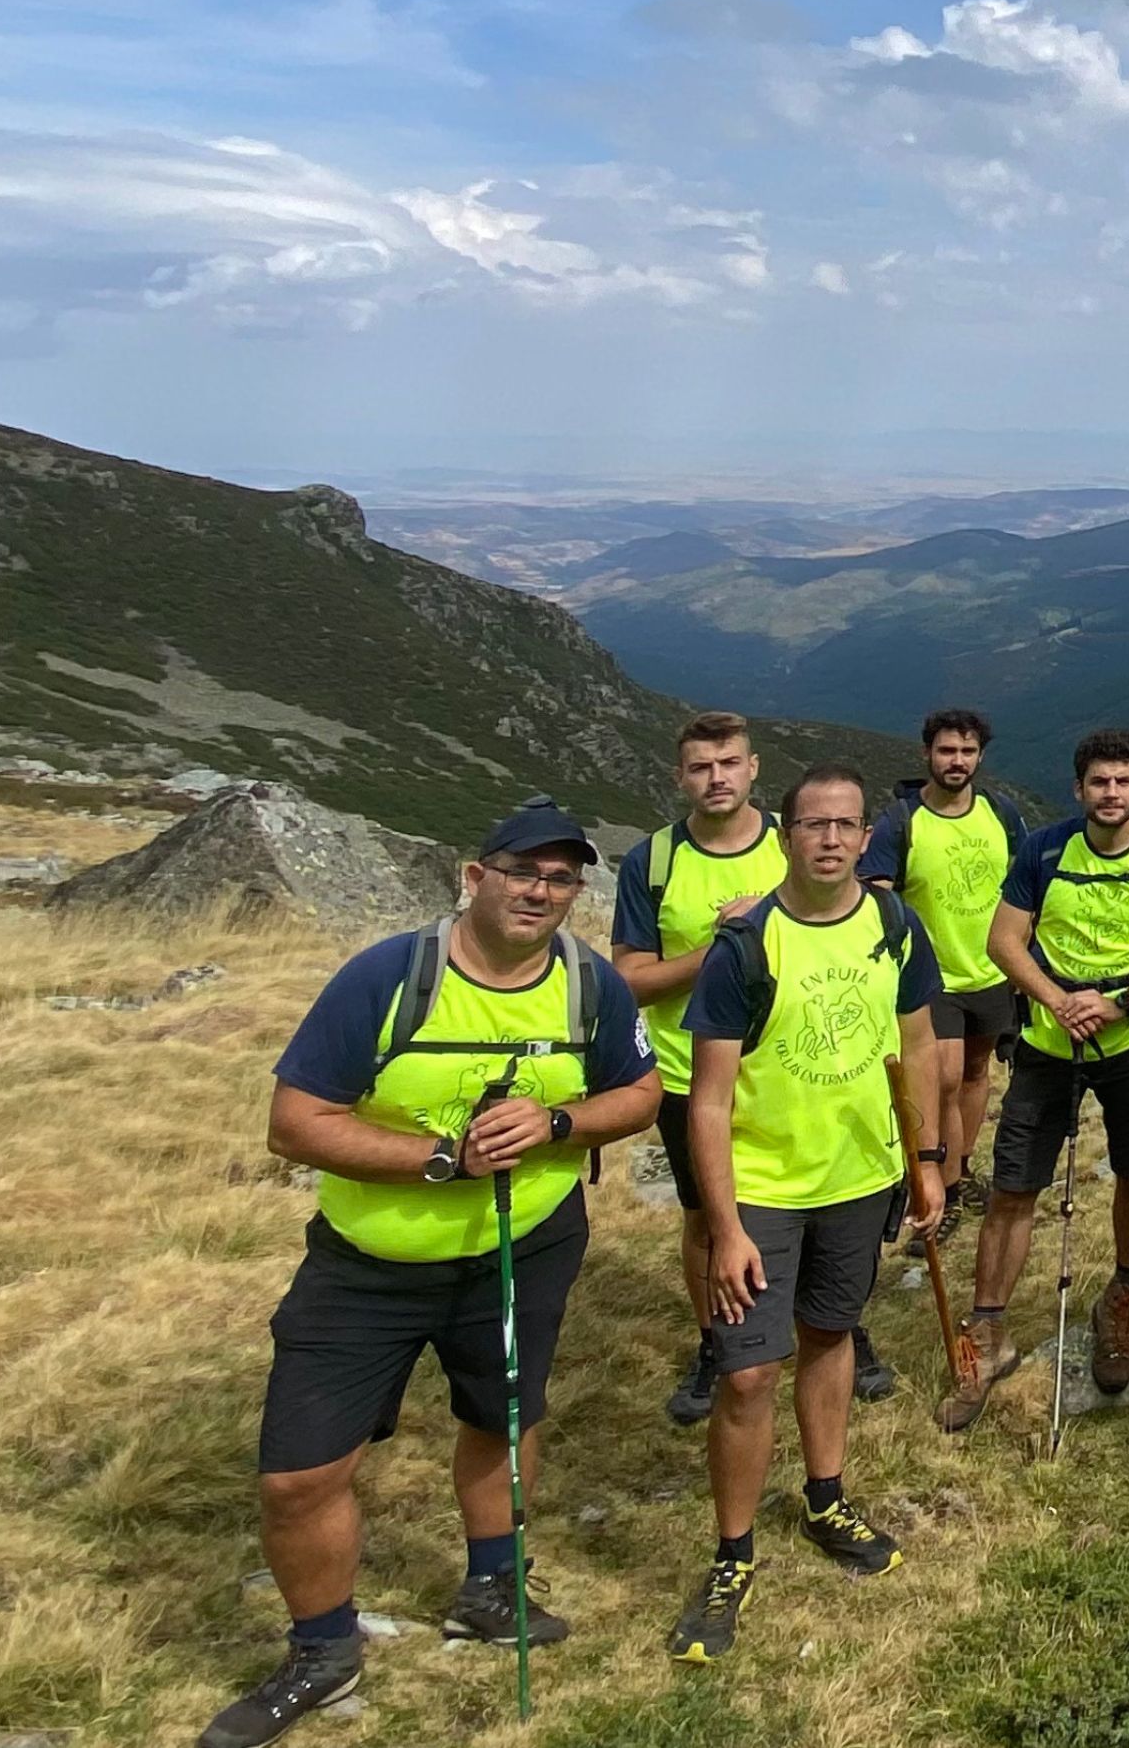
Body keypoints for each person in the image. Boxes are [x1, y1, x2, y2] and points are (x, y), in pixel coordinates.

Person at [199, 799, 660, 1748]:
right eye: (523, 870)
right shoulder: (388, 979)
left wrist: (557, 1125)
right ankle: (323, 1652)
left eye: (562, 877)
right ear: (473, 876)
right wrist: (443, 1160)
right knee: (300, 1475)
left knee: (505, 1416)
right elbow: (294, 1124)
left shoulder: (589, 986)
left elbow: (641, 1091)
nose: (541, 890)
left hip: (524, 1247)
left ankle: (494, 1586)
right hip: (369, 1264)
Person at [666, 763, 954, 1664]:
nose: (830, 838)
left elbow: (917, 1042)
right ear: (785, 835)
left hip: (860, 1180)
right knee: (748, 1375)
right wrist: (724, 1226)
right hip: (762, 1189)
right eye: (812, 824)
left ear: (868, 837)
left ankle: (826, 1498)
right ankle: (732, 1553)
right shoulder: (746, 944)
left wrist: (931, 1162)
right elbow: (706, 1101)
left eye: (846, 825)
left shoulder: (892, 924)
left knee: (831, 1335)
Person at [939, 726, 1129, 1430]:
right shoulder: (1045, 850)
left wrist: (1121, 1002)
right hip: (1045, 1043)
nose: (1111, 794)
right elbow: (1004, 940)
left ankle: (1122, 1296)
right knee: (1013, 1186)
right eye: (1099, 782)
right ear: (1079, 788)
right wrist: (1058, 999)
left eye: (1124, 782)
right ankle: (990, 1330)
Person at [609, 712, 791, 1426]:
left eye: (728, 764)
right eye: (700, 767)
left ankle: (832, 1327)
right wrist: (721, 946)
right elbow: (629, 979)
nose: (716, 778)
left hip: (787, 1067)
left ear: (753, 769)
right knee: (708, 1216)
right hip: (687, 1075)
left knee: (806, 1200)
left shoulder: (794, 843)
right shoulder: (652, 862)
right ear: (679, 776)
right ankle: (717, 1339)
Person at [859, 707, 1026, 1245]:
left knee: (977, 1073)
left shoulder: (1001, 814)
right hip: (931, 979)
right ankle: (944, 1185)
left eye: (967, 751)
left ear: (980, 755)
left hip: (992, 971)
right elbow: (874, 894)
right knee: (946, 1079)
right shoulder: (901, 821)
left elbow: (1025, 882)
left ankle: (962, 1164)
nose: (957, 761)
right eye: (947, 751)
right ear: (927, 753)